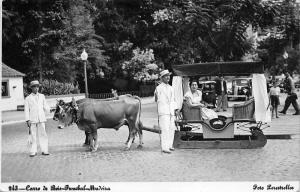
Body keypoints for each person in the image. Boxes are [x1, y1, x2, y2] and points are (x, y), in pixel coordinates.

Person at [154, 70, 178, 154]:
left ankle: (169, 145)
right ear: (162, 78)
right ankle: (164, 147)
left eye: (169, 76)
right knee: (165, 129)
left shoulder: (171, 88)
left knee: (172, 128)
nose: (168, 77)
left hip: (171, 111)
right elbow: (156, 100)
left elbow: (173, 100)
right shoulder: (158, 88)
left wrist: (175, 109)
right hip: (163, 111)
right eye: (166, 76)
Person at [24, 80, 50, 157]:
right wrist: (27, 119)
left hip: (41, 118)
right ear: (31, 88)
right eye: (34, 87)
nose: (36, 88)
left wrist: (50, 109)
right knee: (33, 135)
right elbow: (26, 110)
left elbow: (45, 106)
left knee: (43, 134)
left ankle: (44, 150)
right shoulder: (28, 98)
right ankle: (33, 151)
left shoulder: (42, 96)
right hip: (32, 119)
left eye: (37, 87)